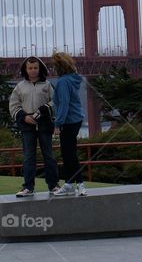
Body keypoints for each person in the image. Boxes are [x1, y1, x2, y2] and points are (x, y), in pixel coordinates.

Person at [9, 56, 59, 197]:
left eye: (35, 68)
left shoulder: (47, 85)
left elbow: (56, 101)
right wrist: (23, 117)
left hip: (45, 125)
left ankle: (53, 185)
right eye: (30, 68)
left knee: (49, 156)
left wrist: (45, 109)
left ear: (40, 68)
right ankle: (28, 187)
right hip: (27, 126)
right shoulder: (20, 87)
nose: (33, 70)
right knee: (28, 157)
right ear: (25, 69)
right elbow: (13, 105)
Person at [50, 52, 87, 197]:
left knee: (69, 153)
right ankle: (69, 184)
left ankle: (80, 184)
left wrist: (58, 124)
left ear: (59, 66)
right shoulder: (72, 79)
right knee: (67, 153)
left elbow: (64, 104)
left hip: (68, 121)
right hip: (76, 119)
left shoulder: (63, 82)